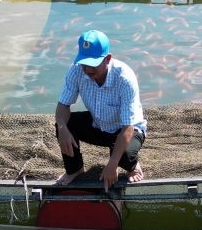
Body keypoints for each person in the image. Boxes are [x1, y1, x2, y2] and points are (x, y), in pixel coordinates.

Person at [54, 29, 145, 190]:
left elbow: (128, 126)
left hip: (125, 129)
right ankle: (75, 169)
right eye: (84, 63)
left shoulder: (124, 78)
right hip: (98, 124)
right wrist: (62, 129)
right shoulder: (76, 70)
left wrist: (113, 164)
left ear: (107, 59)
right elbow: (63, 106)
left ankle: (132, 165)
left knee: (124, 158)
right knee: (64, 125)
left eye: (93, 64)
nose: (87, 69)